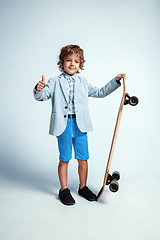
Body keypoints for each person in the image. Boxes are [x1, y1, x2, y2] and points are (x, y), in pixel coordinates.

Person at [33, 44, 126, 206]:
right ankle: (64, 190)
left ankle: (83, 187)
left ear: (80, 64)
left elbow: (100, 92)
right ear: (61, 62)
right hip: (63, 124)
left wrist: (115, 81)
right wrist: (38, 89)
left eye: (76, 61)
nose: (72, 64)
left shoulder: (83, 82)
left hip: (80, 125)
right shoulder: (54, 81)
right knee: (65, 158)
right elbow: (42, 97)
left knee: (83, 158)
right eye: (68, 60)